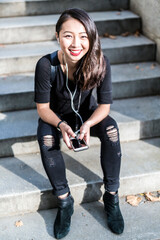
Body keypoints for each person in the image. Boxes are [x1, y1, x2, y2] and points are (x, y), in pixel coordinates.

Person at [34, 8, 124, 239]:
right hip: (56, 117)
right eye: (68, 35)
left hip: (88, 115)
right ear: (57, 36)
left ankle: (112, 197)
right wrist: (62, 125)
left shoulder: (100, 61)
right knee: (46, 139)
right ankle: (65, 201)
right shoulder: (46, 65)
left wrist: (88, 124)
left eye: (83, 36)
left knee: (112, 131)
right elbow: (43, 108)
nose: (76, 43)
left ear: (91, 38)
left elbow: (105, 105)